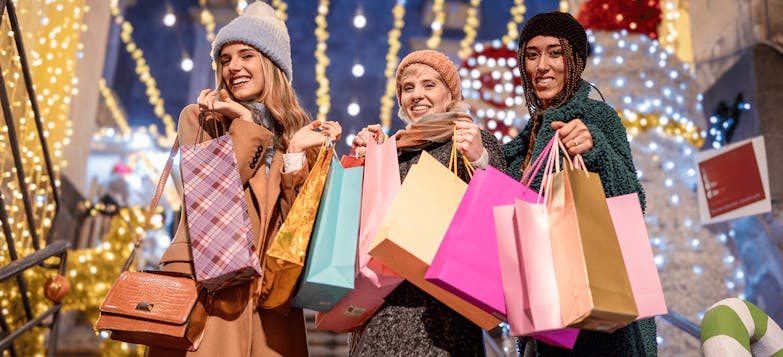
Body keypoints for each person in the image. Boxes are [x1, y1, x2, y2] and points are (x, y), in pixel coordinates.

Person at [147, 2, 341, 356]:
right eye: (225, 59)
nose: (233, 66)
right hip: (208, 297)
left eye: (246, 55)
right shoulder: (202, 120)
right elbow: (212, 195)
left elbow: (297, 229)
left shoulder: (294, 136)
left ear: (272, 65)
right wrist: (246, 129)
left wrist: (297, 155)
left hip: (270, 303)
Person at [500, 11, 656, 357]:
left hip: (594, 323)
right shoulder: (527, 137)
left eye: (555, 52)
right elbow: (514, 202)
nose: (543, 65)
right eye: (532, 54)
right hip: (545, 317)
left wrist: (596, 147)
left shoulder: (597, 116)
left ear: (576, 61)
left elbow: (632, 199)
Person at [349, 49, 507, 356]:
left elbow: (501, 207)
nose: (417, 95)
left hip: (445, 317)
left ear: (450, 94)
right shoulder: (392, 149)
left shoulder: (470, 138)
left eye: (428, 85)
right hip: (384, 313)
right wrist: (364, 163)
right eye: (408, 88)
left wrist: (480, 159)